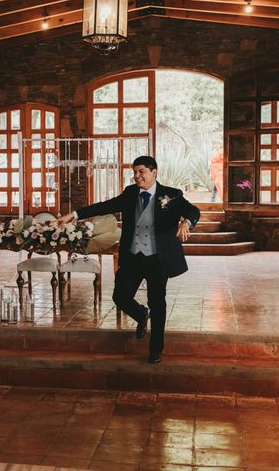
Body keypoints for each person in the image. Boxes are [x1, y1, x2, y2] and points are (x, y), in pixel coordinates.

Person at [57, 156, 200, 364]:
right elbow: (105, 206)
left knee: (158, 303)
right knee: (120, 297)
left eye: (141, 171)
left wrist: (187, 222)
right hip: (133, 256)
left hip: (158, 258)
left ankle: (156, 349)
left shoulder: (172, 195)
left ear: (154, 172)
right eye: (134, 172)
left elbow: (193, 210)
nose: (137, 176)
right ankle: (141, 314)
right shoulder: (130, 193)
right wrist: (74, 214)